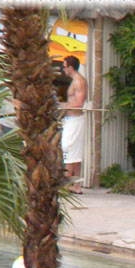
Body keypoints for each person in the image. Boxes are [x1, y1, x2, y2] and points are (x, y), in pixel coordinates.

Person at [60, 55, 86, 194]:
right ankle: (76, 185)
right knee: (74, 152)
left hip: (75, 120)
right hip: (70, 120)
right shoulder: (74, 81)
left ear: (70, 67)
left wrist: (63, 105)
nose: (63, 70)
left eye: (64, 67)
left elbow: (79, 104)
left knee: (69, 150)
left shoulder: (79, 82)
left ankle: (67, 185)